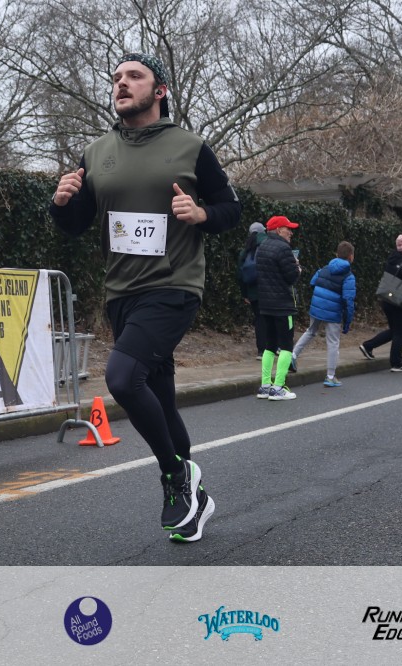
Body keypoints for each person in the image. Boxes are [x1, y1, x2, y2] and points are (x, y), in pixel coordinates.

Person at [49, 52, 241, 542]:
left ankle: (175, 475)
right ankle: (195, 503)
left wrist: (201, 214)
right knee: (159, 396)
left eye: (134, 76)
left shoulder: (190, 147)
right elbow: (76, 226)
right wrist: (63, 202)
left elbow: (230, 208)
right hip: (122, 291)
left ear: (159, 90)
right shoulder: (96, 152)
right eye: (117, 77)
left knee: (122, 376)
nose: (122, 83)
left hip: (174, 285)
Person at [292, 241, 356, 387]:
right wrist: (347, 322)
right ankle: (330, 376)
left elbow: (313, 282)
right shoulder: (349, 276)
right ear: (351, 257)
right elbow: (348, 301)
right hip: (333, 312)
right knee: (333, 342)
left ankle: (293, 355)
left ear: (336, 254)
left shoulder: (325, 268)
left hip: (317, 306)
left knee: (310, 331)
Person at [255, 215, 302, 400]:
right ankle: (278, 387)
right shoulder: (283, 248)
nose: (291, 232)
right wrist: (297, 268)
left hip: (265, 304)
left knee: (270, 345)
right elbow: (291, 276)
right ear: (278, 230)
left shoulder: (262, 247)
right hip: (283, 305)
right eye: (288, 228)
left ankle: (265, 385)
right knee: (286, 346)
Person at [360, 235, 402, 371]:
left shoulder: (391, 261)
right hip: (400, 303)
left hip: (386, 300)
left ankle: (368, 346)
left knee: (394, 331)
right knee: (400, 333)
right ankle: (396, 363)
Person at [237, 222, 268, 358]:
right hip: (269, 290)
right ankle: (274, 347)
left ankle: (261, 350)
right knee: (272, 318)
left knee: (259, 319)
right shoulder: (268, 247)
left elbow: (240, 275)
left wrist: (245, 294)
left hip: (253, 292)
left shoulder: (245, 252)